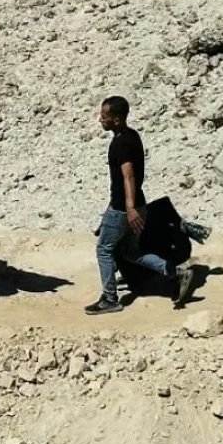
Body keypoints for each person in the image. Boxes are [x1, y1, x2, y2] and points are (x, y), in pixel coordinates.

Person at [86, 95, 195, 315]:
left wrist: (129, 208)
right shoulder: (132, 136)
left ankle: (109, 299)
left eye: (104, 116)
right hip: (137, 206)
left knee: (103, 250)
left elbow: (128, 176)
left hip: (124, 210)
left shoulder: (120, 144)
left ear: (117, 119)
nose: (100, 120)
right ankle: (175, 272)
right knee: (131, 252)